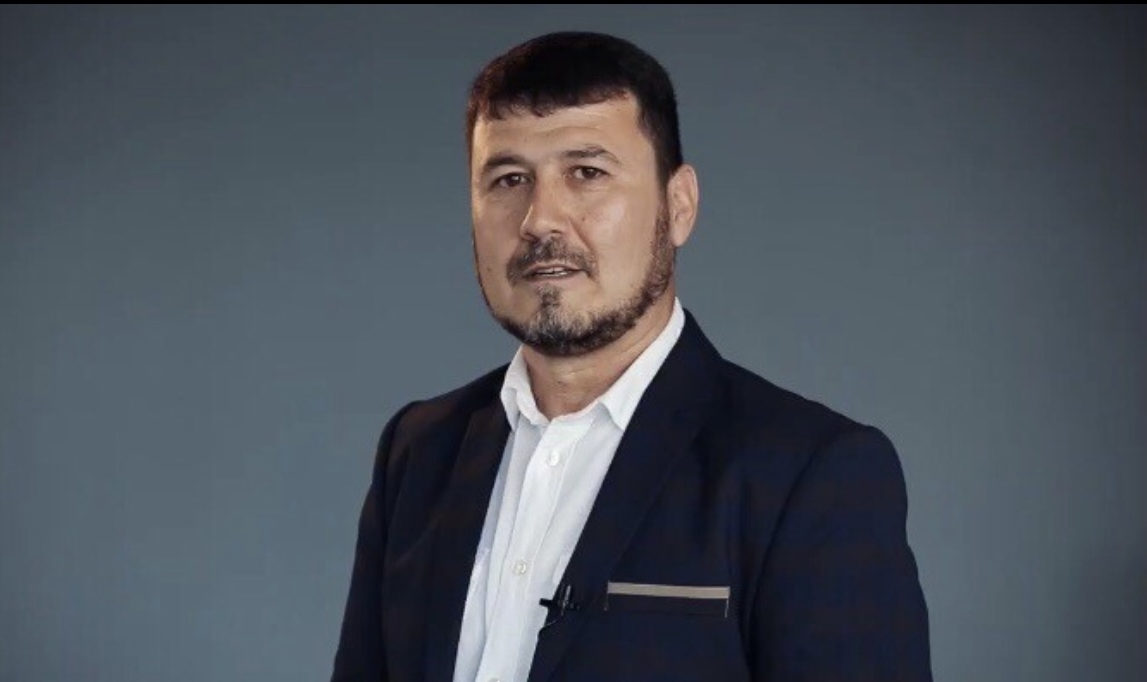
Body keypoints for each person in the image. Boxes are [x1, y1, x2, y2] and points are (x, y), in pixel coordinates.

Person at [330, 30, 932, 682]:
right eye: (509, 179)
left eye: (587, 173)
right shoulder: (418, 453)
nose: (540, 219)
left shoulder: (808, 475)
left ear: (679, 206)